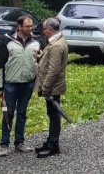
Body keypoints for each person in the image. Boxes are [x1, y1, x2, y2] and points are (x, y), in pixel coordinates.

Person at [0, 14, 40, 157]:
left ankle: (19, 143)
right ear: (19, 27)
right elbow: (1, 65)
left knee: (22, 114)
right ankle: (4, 144)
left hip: (27, 84)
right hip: (10, 85)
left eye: (31, 26)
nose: (30, 28)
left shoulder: (37, 42)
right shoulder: (8, 41)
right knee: (8, 113)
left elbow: (40, 63)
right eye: (27, 26)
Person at [34, 18, 68, 158]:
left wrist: (46, 87)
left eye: (44, 29)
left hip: (53, 86)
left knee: (54, 116)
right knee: (52, 114)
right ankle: (50, 141)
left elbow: (54, 70)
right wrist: (40, 56)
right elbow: (50, 60)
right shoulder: (57, 40)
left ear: (49, 30)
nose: (43, 32)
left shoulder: (56, 45)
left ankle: (53, 145)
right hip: (52, 85)